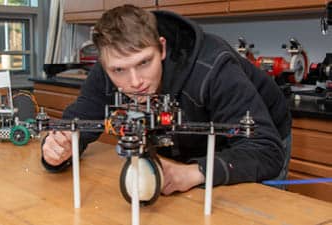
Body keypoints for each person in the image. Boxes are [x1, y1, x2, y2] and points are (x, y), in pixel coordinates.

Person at [41, 5, 291, 194]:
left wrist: (196, 171)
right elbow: (76, 124)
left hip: (255, 140)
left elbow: (266, 151)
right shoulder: (108, 69)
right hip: (184, 149)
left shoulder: (213, 67)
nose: (135, 81)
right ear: (104, 65)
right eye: (119, 70)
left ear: (162, 48)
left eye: (144, 62)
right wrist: (56, 150)